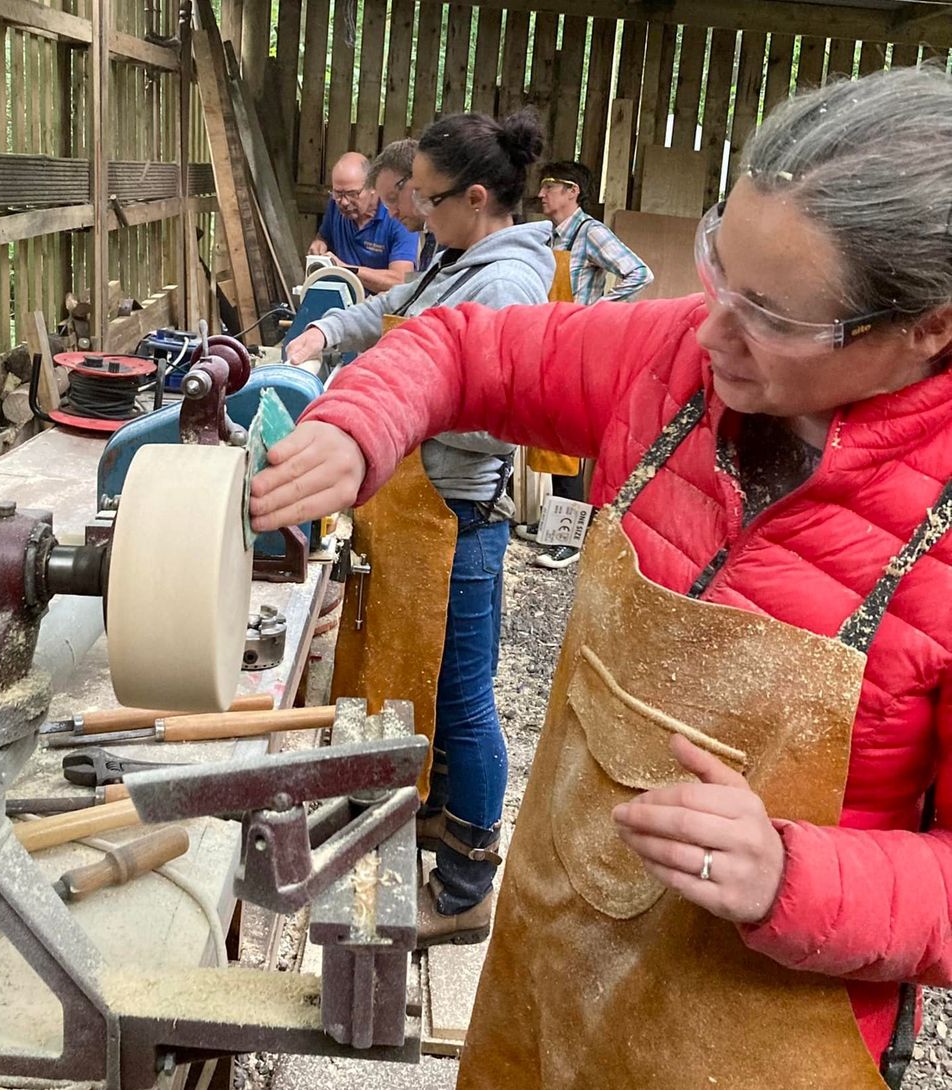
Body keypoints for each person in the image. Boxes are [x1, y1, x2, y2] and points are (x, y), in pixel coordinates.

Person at [252, 67, 952, 1090]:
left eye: (768, 313)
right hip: (552, 963)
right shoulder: (672, 364)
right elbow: (459, 346)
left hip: (762, 1034)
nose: (710, 330)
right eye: (720, 268)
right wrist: (362, 425)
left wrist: (797, 879)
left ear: (926, 328)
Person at [289, 109, 554, 948]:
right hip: (420, 507)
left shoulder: (506, 284)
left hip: (459, 516)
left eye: (431, 201)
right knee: (434, 681)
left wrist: (392, 421)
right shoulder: (459, 262)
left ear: (477, 198)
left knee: (468, 701)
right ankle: (437, 817)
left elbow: (501, 421)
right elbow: (398, 307)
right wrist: (324, 332)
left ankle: (471, 880)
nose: (418, 214)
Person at [521, 159, 655, 569]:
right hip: (549, 340)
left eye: (549, 187)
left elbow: (639, 273)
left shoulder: (589, 232)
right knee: (545, 435)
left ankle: (568, 540)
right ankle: (555, 524)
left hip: (575, 345)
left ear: (572, 192)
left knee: (566, 443)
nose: (541, 194)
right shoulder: (549, 236)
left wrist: (595, 314)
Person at [309, 152, 419, 294]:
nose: (344, 202)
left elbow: (400, 281)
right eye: (338, 193)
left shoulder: (398, 217)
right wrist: (319, 243)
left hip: (383, 307)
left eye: (352, 194)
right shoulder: (335, 205)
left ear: (373, 187)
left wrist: (345, 270)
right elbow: (323, 236)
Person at [368, 139, 438, 271]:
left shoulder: (452, 241)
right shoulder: (430, 236)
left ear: (418, 180)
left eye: (393, 198)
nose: (392, 213)